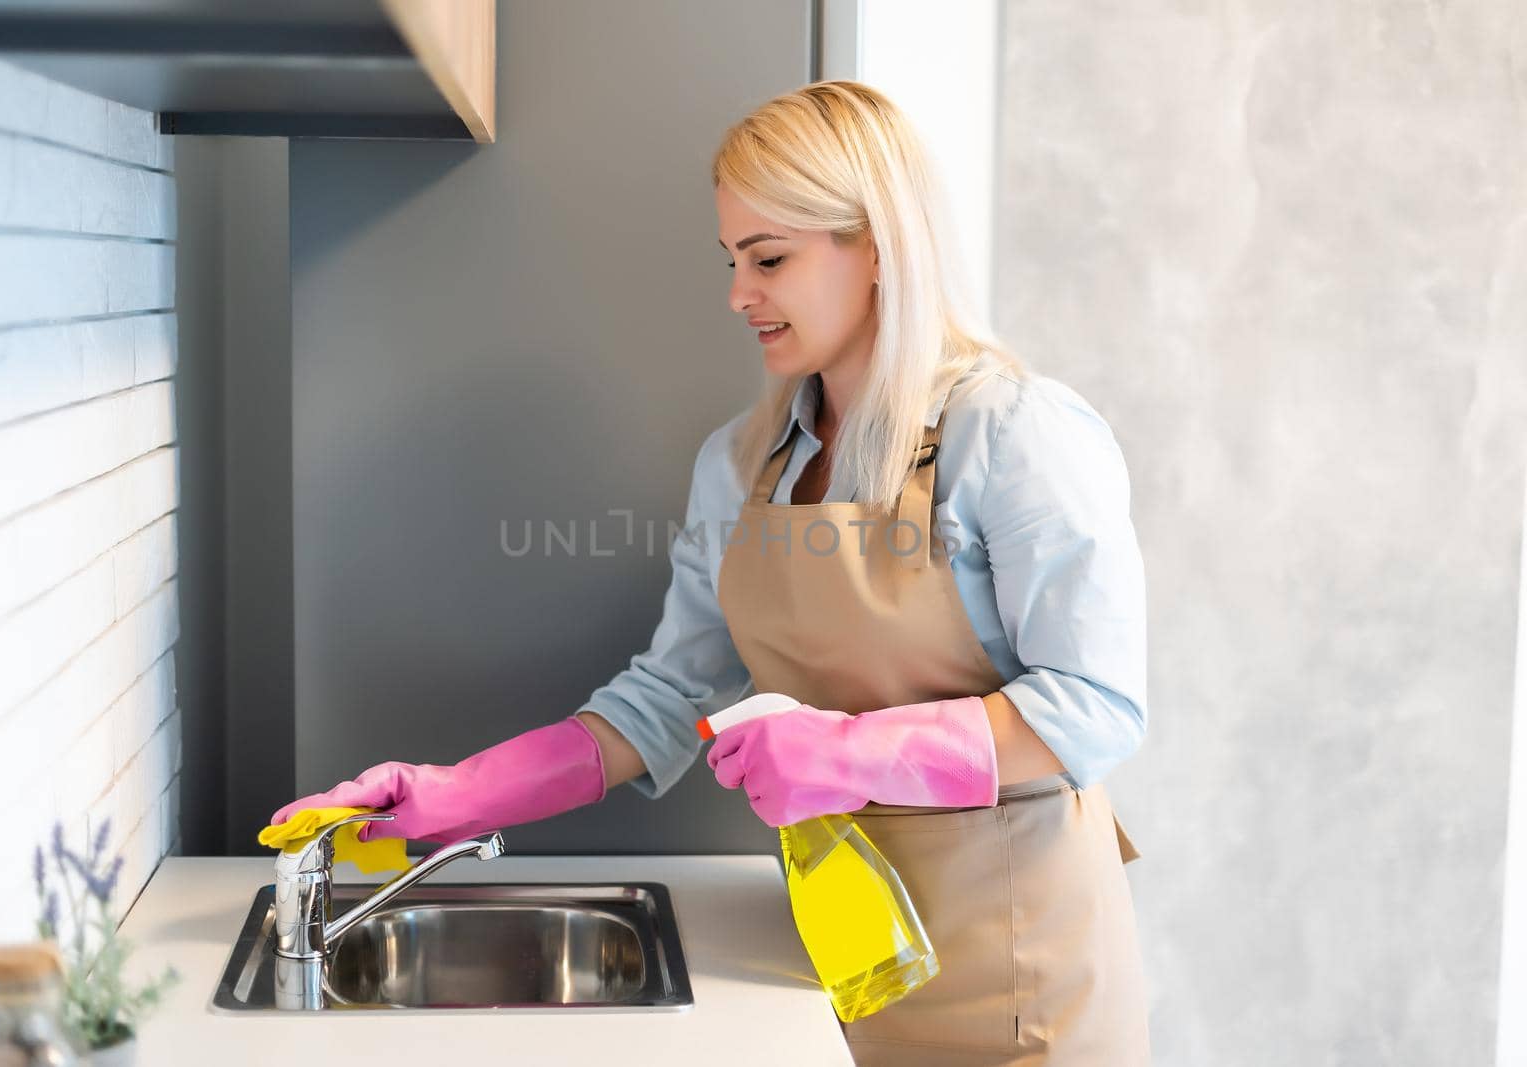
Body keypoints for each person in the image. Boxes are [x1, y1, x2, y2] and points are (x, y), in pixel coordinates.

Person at [271, 79, 1151, 1065]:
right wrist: (457, 793)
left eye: (769, 257)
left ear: (876, 249)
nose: (738, 292)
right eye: (732, 258)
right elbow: (663, 701)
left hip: (1019, 972)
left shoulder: (1015, 433)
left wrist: (850, 750)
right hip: (847, 953)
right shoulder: (742, 464)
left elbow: (1094, 704)